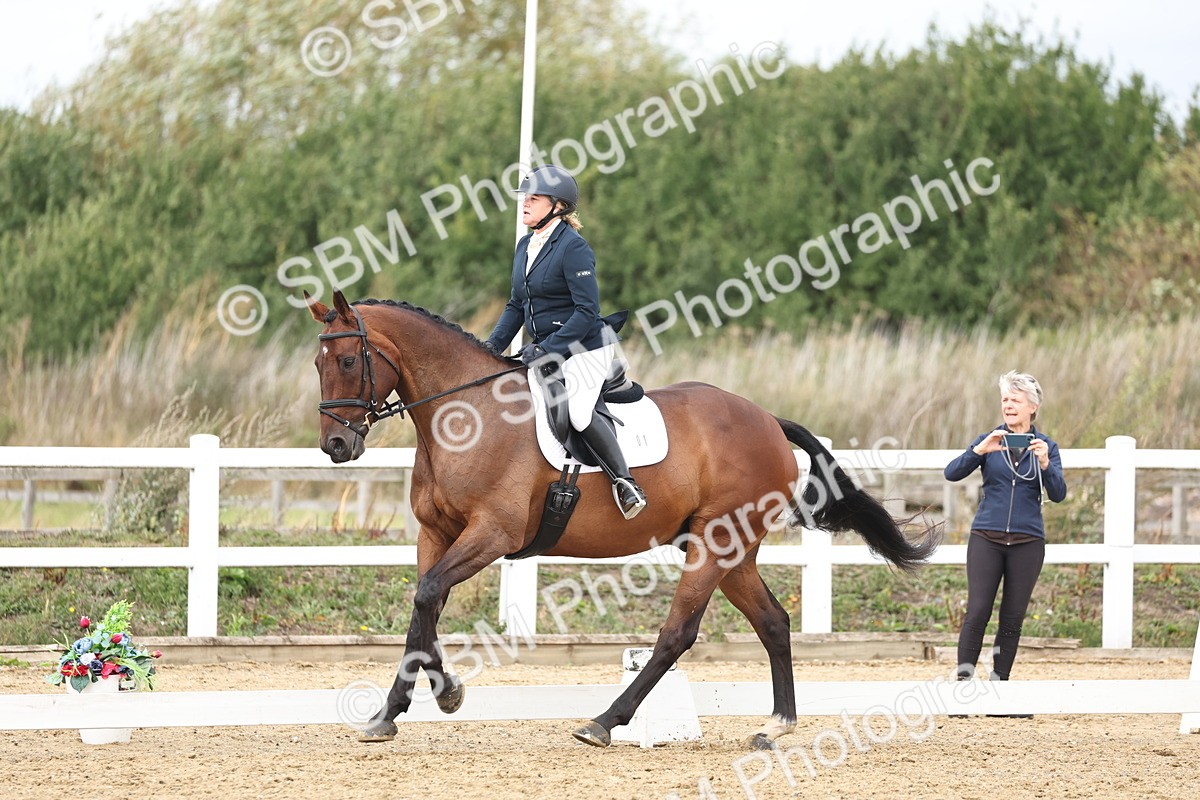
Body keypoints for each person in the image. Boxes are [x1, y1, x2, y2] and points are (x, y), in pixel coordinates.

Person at [483, 164, 647, 520]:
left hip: (585, 348)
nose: (525, 203)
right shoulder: (526, 244)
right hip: (545, 348)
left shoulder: (573, 248)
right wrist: (491, 348)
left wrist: (547, 348)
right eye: (525, 197)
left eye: (534, 198)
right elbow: (516, 304)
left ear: (557, 206)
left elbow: (587, 312)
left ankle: (626, 483)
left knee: (578, 411)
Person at [944, 371, 1067, 706]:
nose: (1008, 405)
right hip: (987, 537)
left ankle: (1000, 692)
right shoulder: (990, 440)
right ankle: (963, 690)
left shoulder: (1048, 447)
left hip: (1028, 541)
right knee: (978, 612)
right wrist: (978, 450)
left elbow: (1058, 494)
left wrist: (1044, 463)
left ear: (1033, 406)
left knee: (1012, 618)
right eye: (1005, 400)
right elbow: (952, 472)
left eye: (1015, 399)